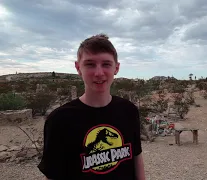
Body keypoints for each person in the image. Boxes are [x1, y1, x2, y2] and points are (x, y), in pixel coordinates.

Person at [37, 34, 146, 180]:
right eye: (90, 64)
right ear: (78, 68)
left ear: (116, 68)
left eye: (106, 64)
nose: (99, 73)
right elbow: (53, 174)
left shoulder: (129, 110)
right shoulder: (60, 120)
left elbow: (136, 157)